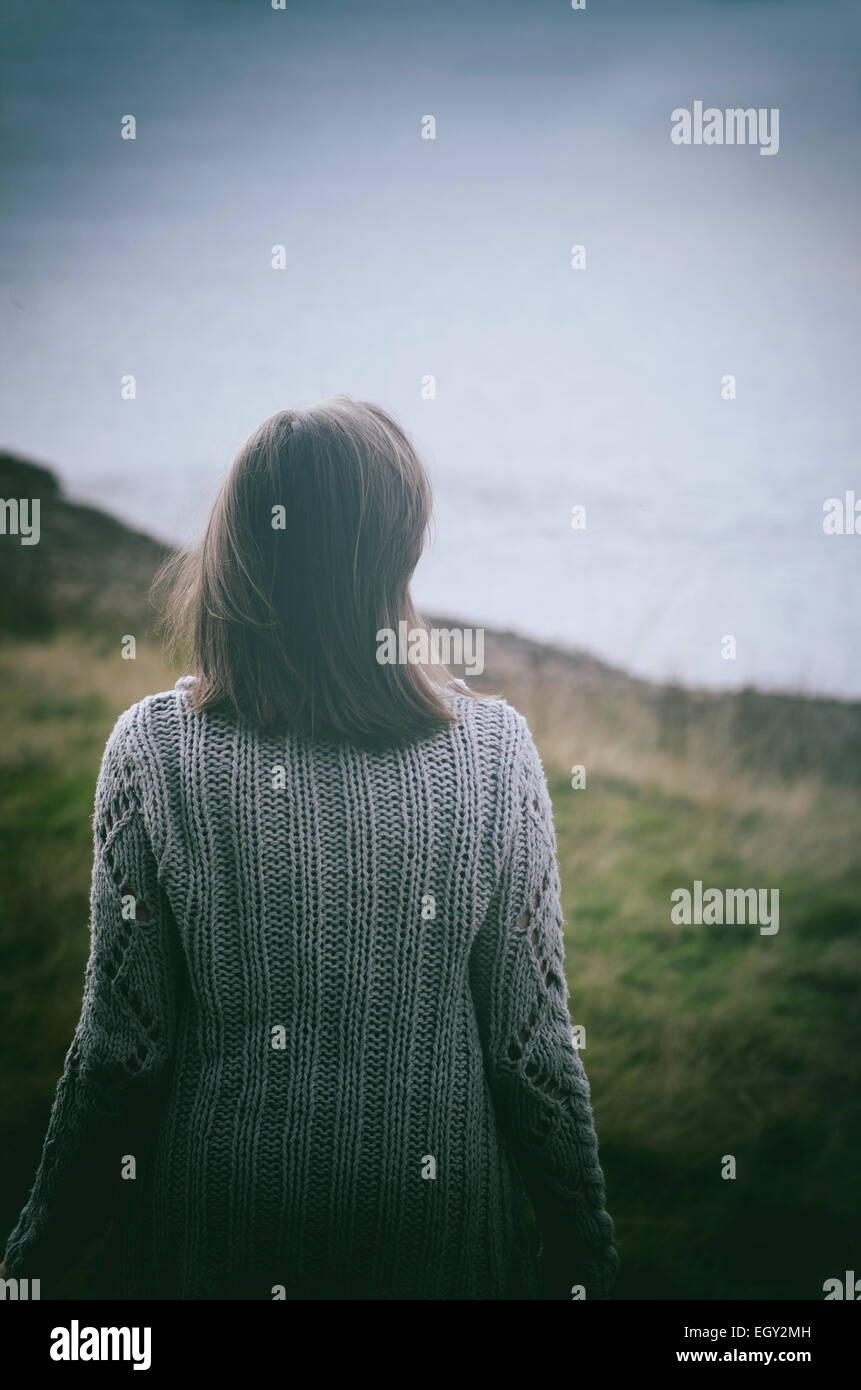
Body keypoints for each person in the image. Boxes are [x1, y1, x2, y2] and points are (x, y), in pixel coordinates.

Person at [2, 397, 618, 1299]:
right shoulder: (493, 758)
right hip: (436, 1248)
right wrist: (585, 1255)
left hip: (216, 1243)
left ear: (240, 548)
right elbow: (530, 1054)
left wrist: (32, 1264)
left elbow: (122, 1051)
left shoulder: (155, 752)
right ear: (394, 554)